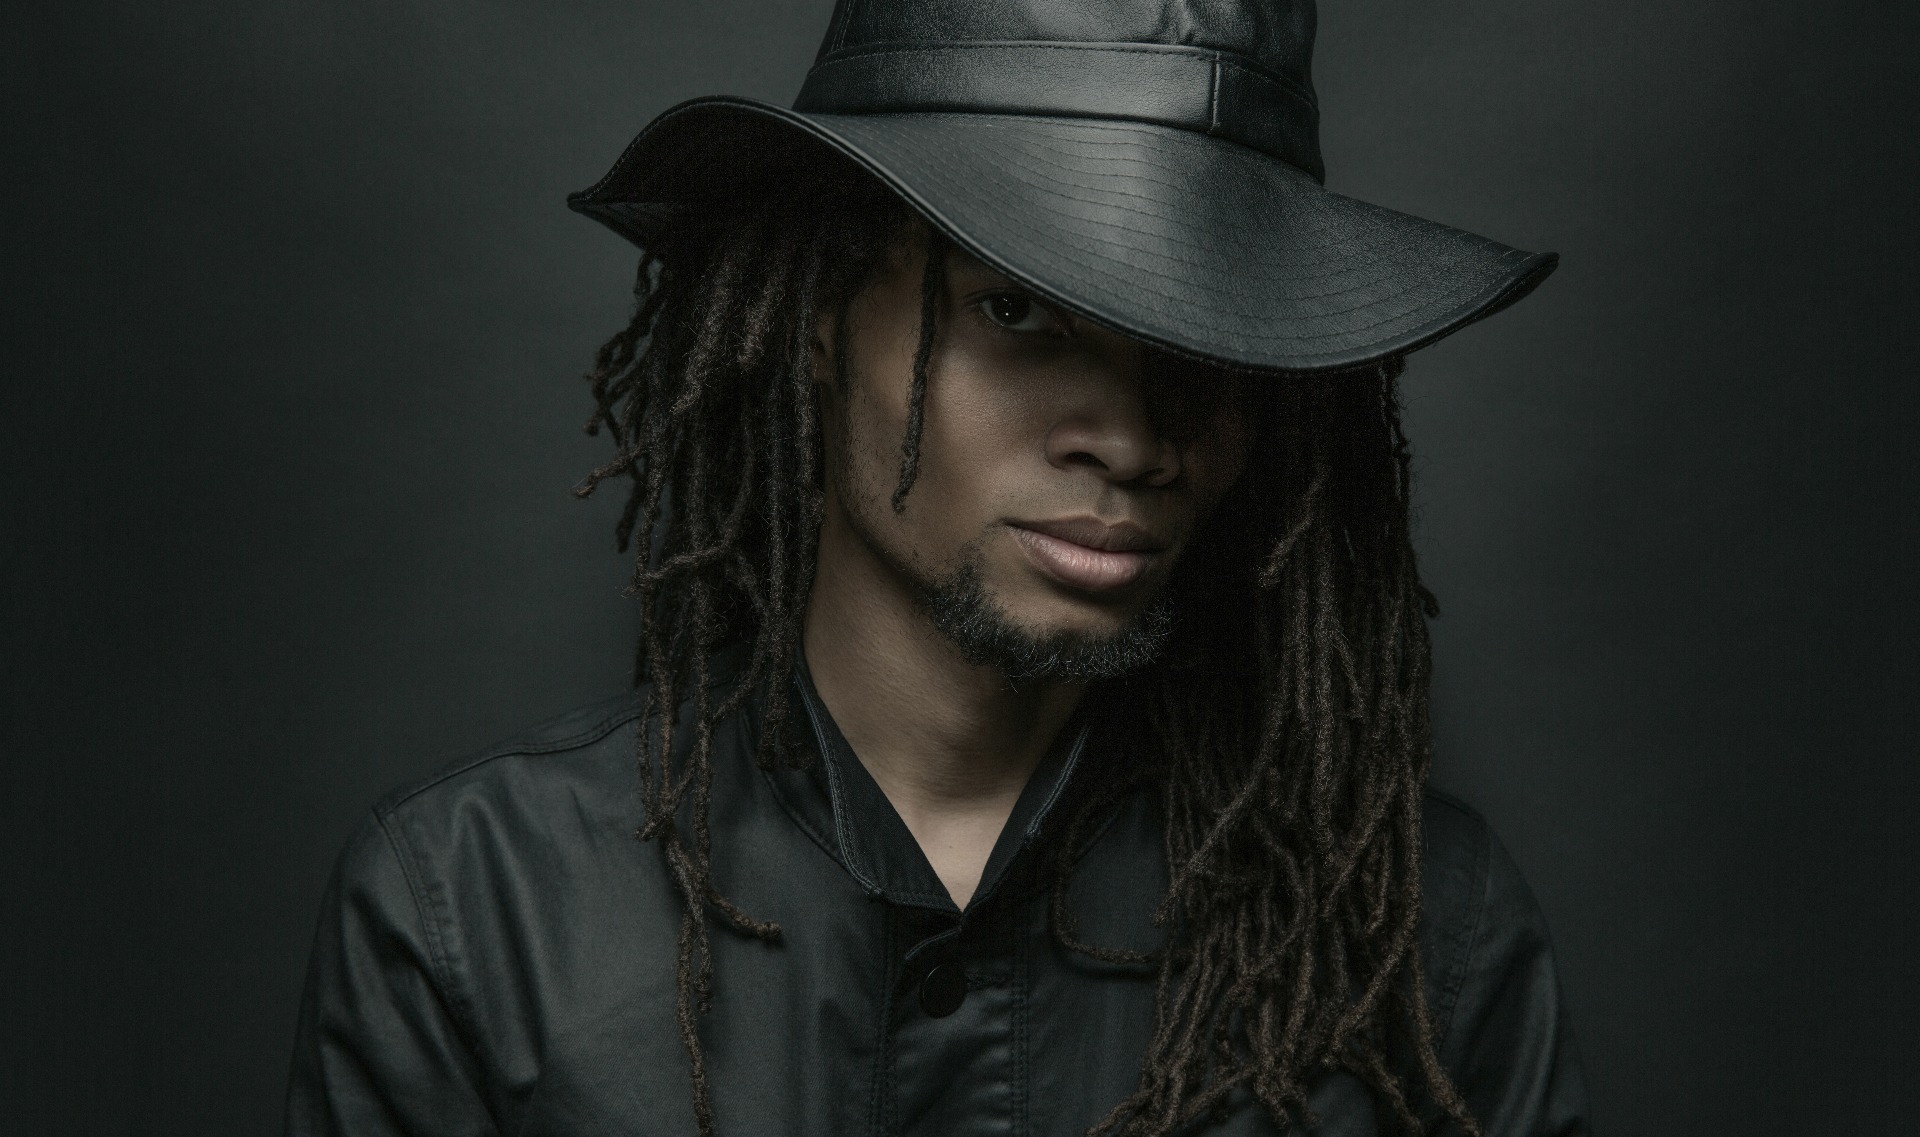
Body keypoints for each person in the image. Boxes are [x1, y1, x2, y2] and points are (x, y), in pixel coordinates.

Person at [286, 1, 1589, 1134]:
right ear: (815, 317)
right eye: (1016, 308)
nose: (1134, 439)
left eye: (1204, 345)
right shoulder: (477, 914)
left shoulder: (1422, 935)